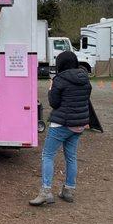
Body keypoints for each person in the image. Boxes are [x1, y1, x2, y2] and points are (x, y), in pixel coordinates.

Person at [29, 51, 92, 206]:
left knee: (48, 155)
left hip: (61, 124)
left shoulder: (59, 79)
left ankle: (45, 192)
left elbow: (54, 103)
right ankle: (68, 190)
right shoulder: (85, 79)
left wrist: (51, 88)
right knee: (71, 157)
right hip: (78, 125)